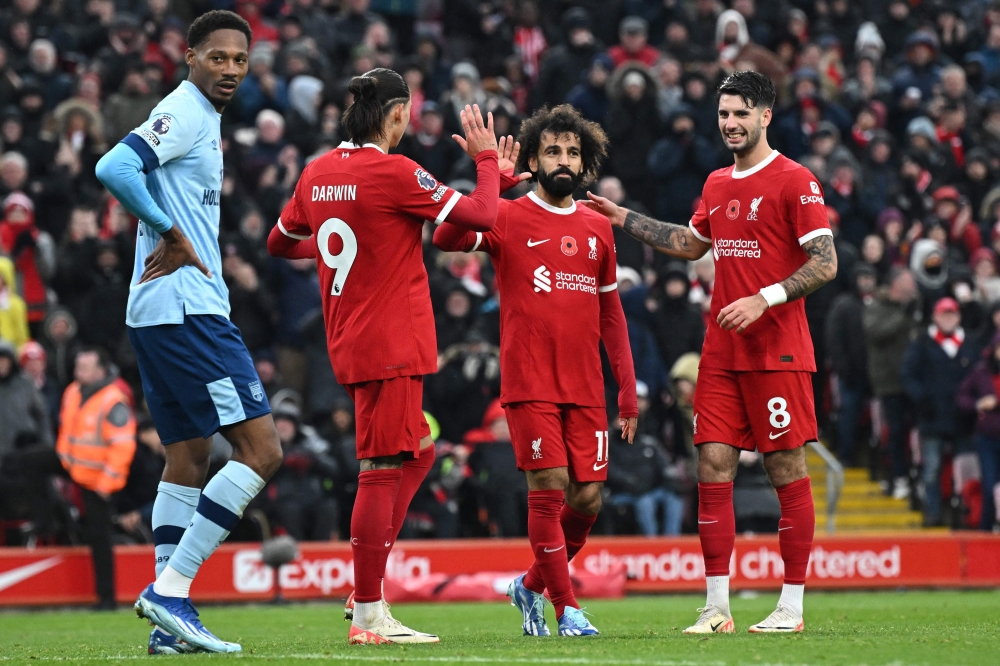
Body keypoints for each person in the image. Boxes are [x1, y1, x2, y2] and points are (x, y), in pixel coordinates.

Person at [584, 71, 837, 633]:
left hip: (778, 350)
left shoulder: (795, 180)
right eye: (724, 114)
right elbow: (693, 243)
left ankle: (791, 607)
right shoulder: (718, 182)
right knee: (711, 464)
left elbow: (825, 262)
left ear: (765, 115)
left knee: (784, 467)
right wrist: (623, 218)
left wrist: (763, 299)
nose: (730, 123)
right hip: (722, 351)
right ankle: (717, 607)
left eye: (741, 113)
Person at [266, 68, 503, 644]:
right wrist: (489, 163)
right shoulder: (394, 171)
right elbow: (480, 216)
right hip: (393, 341)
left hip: (350, 337)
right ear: (396, 114)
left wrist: (333, 245)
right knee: (380, 469)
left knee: (418, 451)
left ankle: (363, 587)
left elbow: (278, 242)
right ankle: (370, 611)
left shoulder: (317, 172)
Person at [94, 11, 283, 654]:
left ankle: (167, 627)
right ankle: (171, 591)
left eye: (240, 59)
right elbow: (114, 167)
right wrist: (168, 229)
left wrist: (166, 226)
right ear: (189, 56)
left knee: (188, 459)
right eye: (218, 57)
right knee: (262, 452)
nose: (230, 69)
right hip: (187, 310)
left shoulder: (203, 116)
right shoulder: (187, 112)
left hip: (157, 311)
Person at [433, 104, 637, 637]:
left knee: (587, 498)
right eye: (552, 150)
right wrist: (492, 185)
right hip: (529, 382)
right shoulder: (506, 214)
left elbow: (611, 315)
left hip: (586, 386)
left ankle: (529, 586)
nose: (563, 159)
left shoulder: (598, 228)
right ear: (534, 159)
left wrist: (628, 393)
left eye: (572, 151)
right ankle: (568, 609)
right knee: (549, 485)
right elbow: (446, 241)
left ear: (585, 160)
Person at [54, 347, 136, 609]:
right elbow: (67, 432)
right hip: (74, 467)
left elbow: (123, 445)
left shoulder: (114, 400)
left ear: (101, 370)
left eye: (85, 367)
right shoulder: (73, 391)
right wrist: (64, 463)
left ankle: (107, 597)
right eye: (78, 365)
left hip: (98, 480)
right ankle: (51, 520)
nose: (78, 371)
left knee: (100, 537)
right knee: (26, 462)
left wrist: (107, 484)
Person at [901, 297, 979, 526]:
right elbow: (908, 375)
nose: (948, 318)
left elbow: (979, 378)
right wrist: (921, 399)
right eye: (944, 314)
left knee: (966, 471)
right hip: (932, 418)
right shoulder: (923, 343)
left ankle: (965, 515)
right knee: (931, 469)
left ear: (959, 317)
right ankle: (933, 513)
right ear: (935, 316)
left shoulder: (969, 344)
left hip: (962, 420)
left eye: (952, 314)